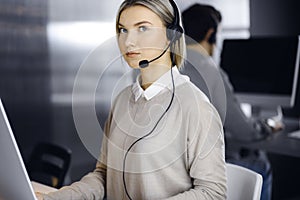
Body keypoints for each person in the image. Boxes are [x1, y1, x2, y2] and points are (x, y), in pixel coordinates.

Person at [36, 0, 227, 199]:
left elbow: (213, 193)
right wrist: (56, 197)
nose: (128, 42)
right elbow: (103, 175)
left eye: (142, 28)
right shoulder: (123, 99)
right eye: (123, 30)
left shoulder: (196, 107)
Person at [181, 4, 272, 200]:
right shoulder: (211, 72)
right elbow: (244, 131)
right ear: (211, 33)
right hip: (202, 174)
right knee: (261, 164)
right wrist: (267, 126)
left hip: (175, 171)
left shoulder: (168, 66)